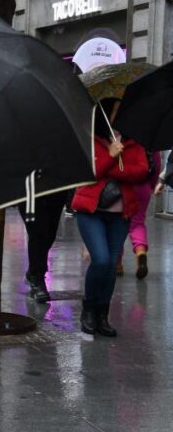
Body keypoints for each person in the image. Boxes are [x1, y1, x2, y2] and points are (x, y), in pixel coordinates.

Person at [71, 100, 149, 337]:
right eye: (117, 111)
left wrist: (112, 166)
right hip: (90, 212)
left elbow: (142, 171)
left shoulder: (134, 142)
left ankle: (102, 315)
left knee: (111, 266)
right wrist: (111, 155)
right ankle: (89, 308)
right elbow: (88, 172)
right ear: (105, 115)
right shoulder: (91, 141)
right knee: (102, 260)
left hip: (120, 215)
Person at [18, 189, 68, 303]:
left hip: (56, 188)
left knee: (49, 235)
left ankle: (32, 272)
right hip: (31, 189)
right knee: (37, 233)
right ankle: (37, 278)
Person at [119, 151, 163, 279]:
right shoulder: (148, 138)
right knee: (137, 223)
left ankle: (117, 263)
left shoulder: (118, 137)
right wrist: (151, 185)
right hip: (142, 186)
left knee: (117, 222)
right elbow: (156, 164)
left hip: (122, 185)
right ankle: (140, 252)